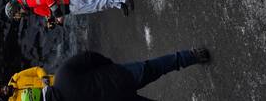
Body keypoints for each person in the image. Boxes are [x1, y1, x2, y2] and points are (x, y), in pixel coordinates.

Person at [42, 48, 211, 101]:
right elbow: (88, 57)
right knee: (157, 66)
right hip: (119, 76)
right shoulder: (62, 75)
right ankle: (194, 56)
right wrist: (109, 66)